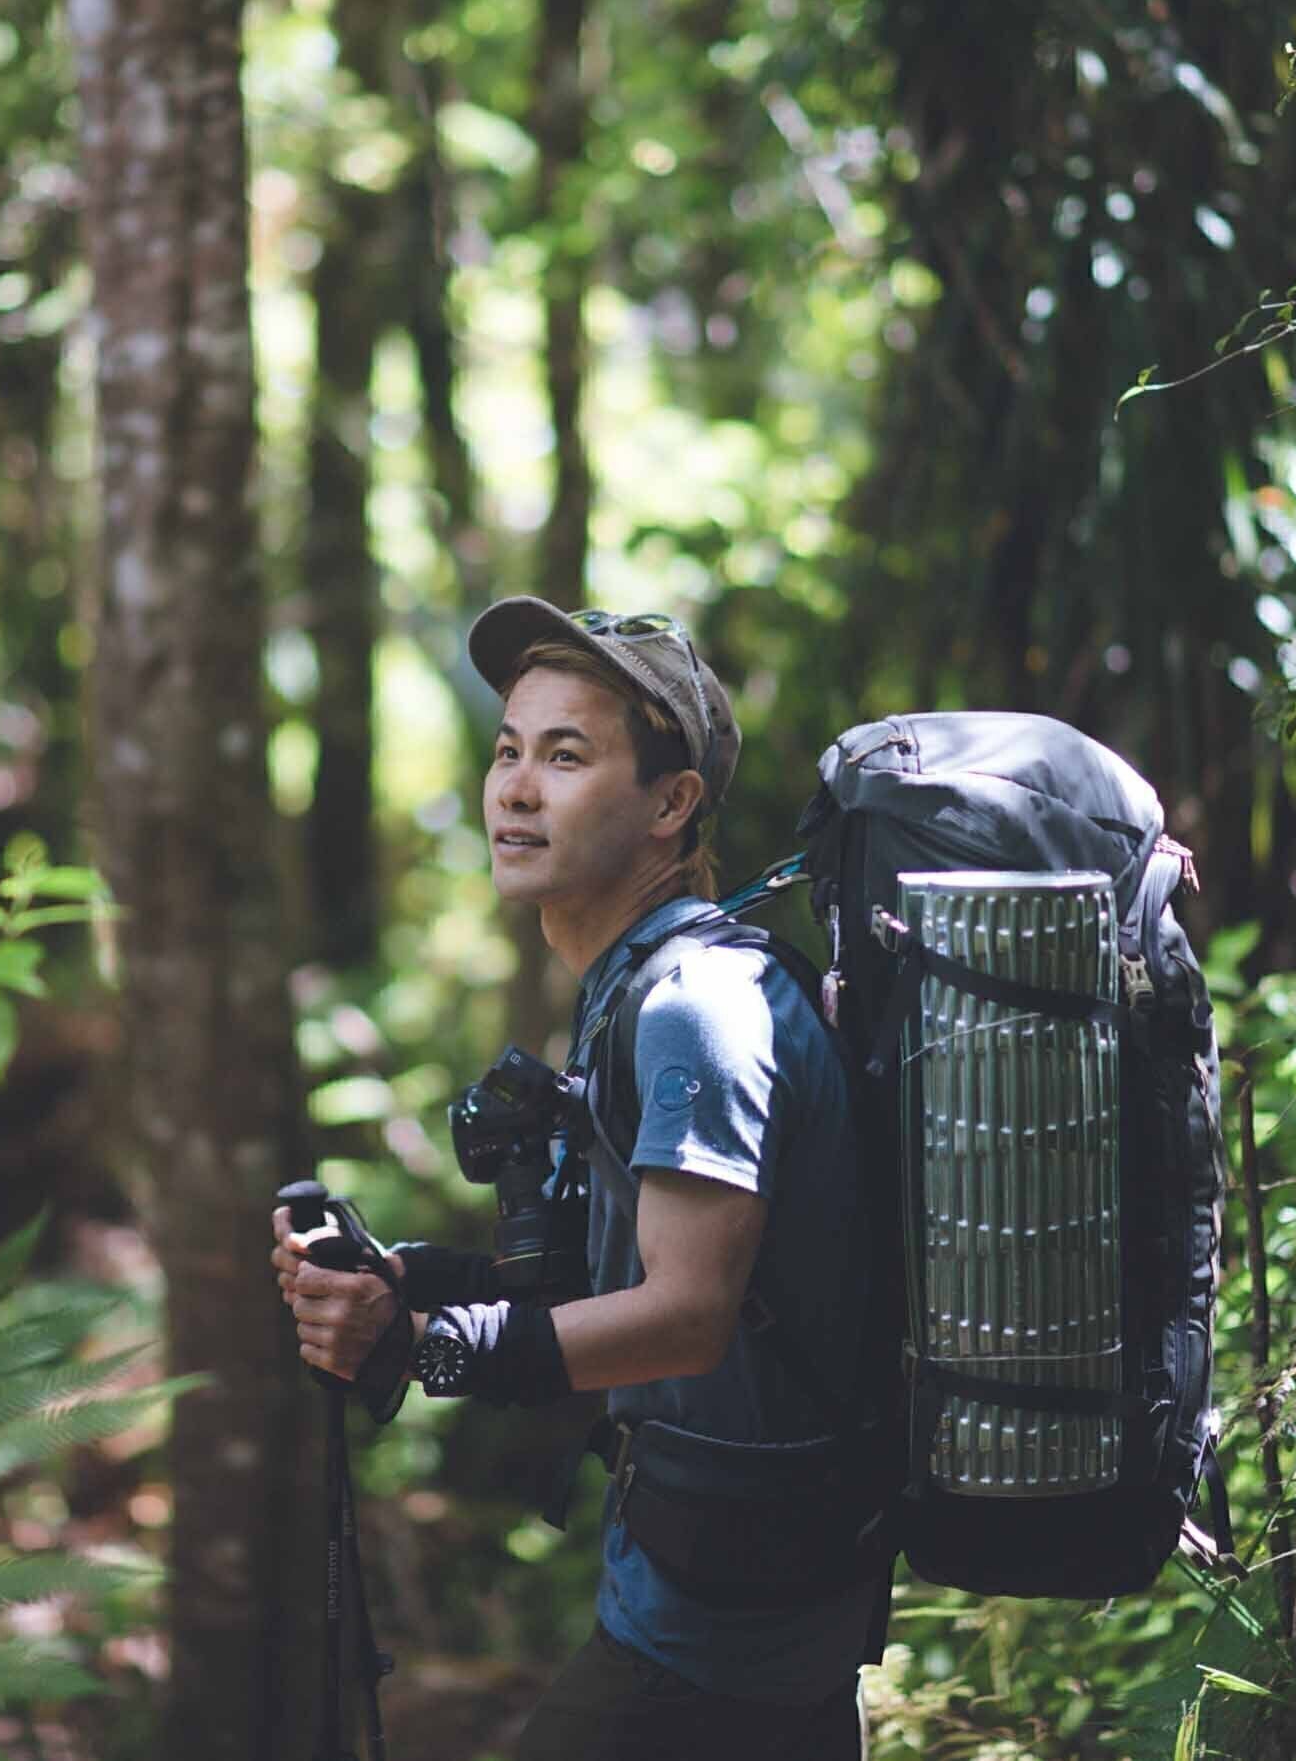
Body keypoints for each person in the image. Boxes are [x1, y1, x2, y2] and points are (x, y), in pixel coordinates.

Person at [269, 597, 888, 1760]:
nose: (515, 787)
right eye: (509, 748)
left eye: (567, 754)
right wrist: (408, 1281)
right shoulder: (633, 987)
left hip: (730, 1613)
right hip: (727, 1577)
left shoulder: (695, 1007)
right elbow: (615, 1276)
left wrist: (432, 1342)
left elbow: (688, 1312)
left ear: (672, 802)